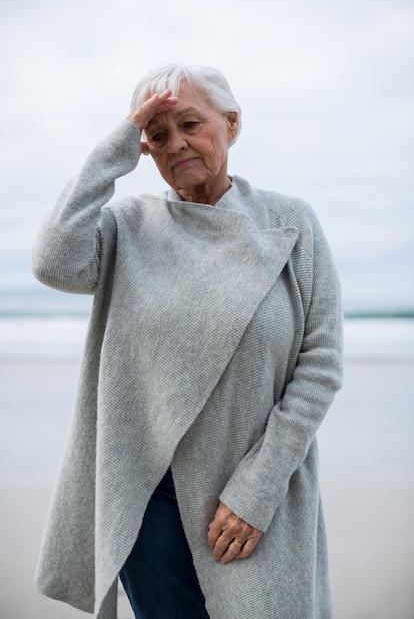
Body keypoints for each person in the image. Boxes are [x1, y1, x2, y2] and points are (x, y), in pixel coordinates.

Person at [32, 64, 343, 619]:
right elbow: (54, 259)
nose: (176, 144)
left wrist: (258, 488)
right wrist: (121, 141)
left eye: (191, 125)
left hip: (255, 494)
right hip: (146, 498)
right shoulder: (127, 226)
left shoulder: (290, 221)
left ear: (232, 123)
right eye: (158, 134)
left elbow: (319, 365)